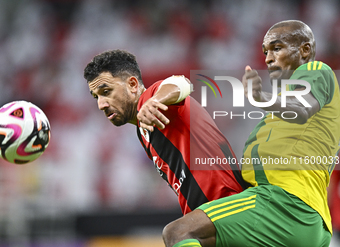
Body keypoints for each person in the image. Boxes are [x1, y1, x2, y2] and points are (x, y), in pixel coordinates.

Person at [162, 20, 340, 247]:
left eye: (277, 48)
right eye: (265, 52)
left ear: (305, 50)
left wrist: (261, 98)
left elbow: (302, 108)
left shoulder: (318, 71)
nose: (268, 58)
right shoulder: (281, 110)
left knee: (179, 233)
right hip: (305, 218)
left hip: (284, 204)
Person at [83, 50, 246, 216]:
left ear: (132, 84)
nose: (101, 104)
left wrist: (155, 101)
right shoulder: (143, 131)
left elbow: (181, 84)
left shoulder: (151, 97)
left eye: (106, 92)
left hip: (227, 203)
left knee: (175, 233)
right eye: (96, 97)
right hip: (207, 213)